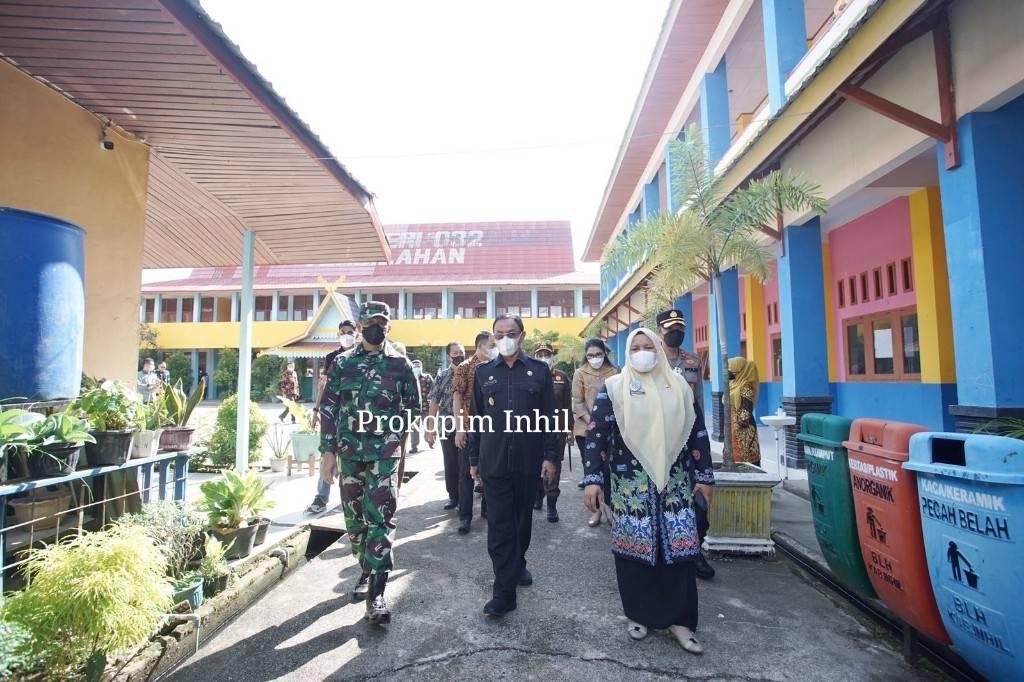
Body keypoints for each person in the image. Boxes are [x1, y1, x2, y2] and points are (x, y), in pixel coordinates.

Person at [583, 327, 714, 653]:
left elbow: (697, 432)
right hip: (631, 486)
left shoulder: (679, 386)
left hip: (675, 484)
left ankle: (681, 622)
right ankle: (639, 614)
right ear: (627, 353)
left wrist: (705, 476)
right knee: (634, 551)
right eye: (635, 348)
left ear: (658, 348)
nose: (642, 352)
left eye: (648, 346)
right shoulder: (614, 388)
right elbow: (597, 435)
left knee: (680, 553)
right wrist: (593, 479)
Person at [319, 302, 420, 625]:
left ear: (389, 327)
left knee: (381, 518)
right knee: (355, 522)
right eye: (370, 322)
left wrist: (394, 434)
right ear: (361, 326)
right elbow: (329, 408)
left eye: (382, 322)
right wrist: (327, 453)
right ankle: (365, 566)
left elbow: (413, 407)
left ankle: (376, 593)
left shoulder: (401, 365)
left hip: (384, 455)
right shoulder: (342, 363)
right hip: (350, 453)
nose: (376, 328)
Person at [466, 314, 559, 617]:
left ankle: (518, 564)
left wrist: (550, 457)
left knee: (522, 522)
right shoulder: (483, 373)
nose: (505, 338)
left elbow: (550, 418)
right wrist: (473, 459)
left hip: (528, 461)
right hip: (494, 461)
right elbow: (476, 419)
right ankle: (504, 594)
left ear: (522, 335)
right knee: (499, 526)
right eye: (499, 334)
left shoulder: (539, 371)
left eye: (512, 333)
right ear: (493, 337)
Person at [306, 320, 358, 514]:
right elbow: (324, 387)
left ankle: (350, 500)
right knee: (327, 454)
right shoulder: (331, 358)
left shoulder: (362, 357)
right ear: (338, 334)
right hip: (332, 415)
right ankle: (321, 497)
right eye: (343, 332)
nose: (346, 335)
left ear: (357, 334)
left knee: (351, 459)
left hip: (355, 417)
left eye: (350, 332)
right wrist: (316, 410)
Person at [452, 331, 496, 534]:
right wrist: (460, 428)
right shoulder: (465, 367)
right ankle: (465, 516)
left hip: (492, 430)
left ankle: (487, 509)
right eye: (492, 346)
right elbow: (457, 398)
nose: (496, 349)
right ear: (480, 346)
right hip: (470, 427)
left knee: (490, 471)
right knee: (466, 473)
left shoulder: (496, 367)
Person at [571, 338, 618, 526]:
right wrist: (593, 422)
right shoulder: (580, 373)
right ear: (586, 356)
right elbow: (577, 403)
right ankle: (596, 511)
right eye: (590, 355)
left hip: (612, 430)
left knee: (609, 471)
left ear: (604, 353)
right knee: (592, 472)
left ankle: (609, 508)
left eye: (598, 354)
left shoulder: (615, 372)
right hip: (586, 431)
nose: (595, 358)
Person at [532, 342, 570, 522]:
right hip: (533, 431)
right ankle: (538, 496)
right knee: (535, 467)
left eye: (546, 354)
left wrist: (569, 429)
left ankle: (551, 506)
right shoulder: (530, 375)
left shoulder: (562, 377)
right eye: (539, 355)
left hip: (556, 431)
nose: (543, 358)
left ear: (552, 356)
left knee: (553, 469)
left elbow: (567, 406)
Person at [426, 342, 466, 510]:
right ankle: (453, 497)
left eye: (461, 352)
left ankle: (465, 499)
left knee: (465, 465)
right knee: (450, 464)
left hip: (466, 425)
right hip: (447, 426)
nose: (459, 356)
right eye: (455, 353)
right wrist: (431, 428)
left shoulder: (471, 373)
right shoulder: (442, 376)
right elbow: (434, 402)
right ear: (449, 356)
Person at [656, 309, 704, 411]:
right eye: (670, 328)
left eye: (680, 328)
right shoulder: (653, 361)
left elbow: (698, 397)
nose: (676, 333)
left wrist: (700, 421)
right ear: (659, 332)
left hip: (689, 418)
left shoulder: (694, 361)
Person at [728, 356, 761, 466]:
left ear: (738, 369)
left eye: (730, 368)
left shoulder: (746, 386)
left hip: (743, 429)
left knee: (745, 458)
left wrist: (738, 424)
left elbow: (747, 409)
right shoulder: (734, 384)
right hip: (732, 425)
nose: (728, 371)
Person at [408, 359, 432, 453]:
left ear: (421, 367)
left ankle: (430, 441)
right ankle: (414, 446)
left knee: (428, 425)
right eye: (414, 366)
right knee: (414, 428)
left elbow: (433, 390)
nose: (416, 368)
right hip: (414, 408)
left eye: (418, 366)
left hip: (426, 406)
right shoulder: (409, 378)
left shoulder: (427, 377)